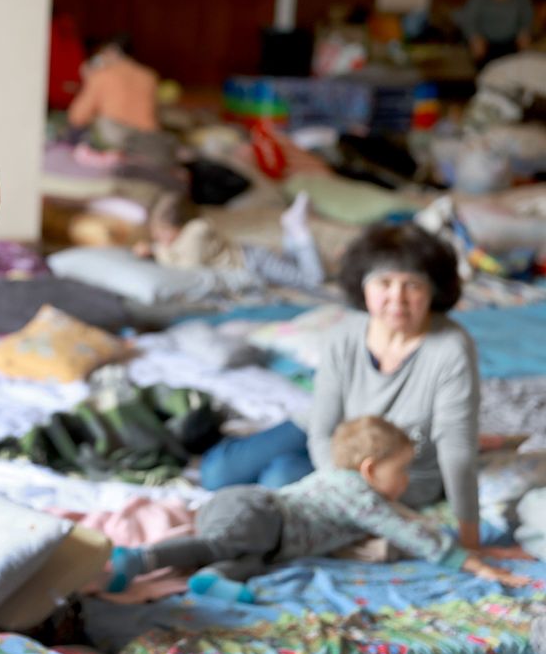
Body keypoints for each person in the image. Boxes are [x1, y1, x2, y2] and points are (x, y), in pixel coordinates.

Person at [200, 222, 496, 550]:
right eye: (384, 283)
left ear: (433, 292)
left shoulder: (451, 346)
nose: (396, 298)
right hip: (338, 441)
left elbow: (457, 448)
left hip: (392, 465)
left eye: (412, 285)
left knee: (279, 478)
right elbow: (323, 427)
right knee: (216, 473)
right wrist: (335, 481)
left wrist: (470, 537)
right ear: (364, 288)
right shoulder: (345, 335)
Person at [98, 416, 530, 603]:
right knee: (221, 543)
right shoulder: (355, 493)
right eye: (401, 471)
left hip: (272, 539)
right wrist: (472, 565)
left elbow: (413, 521)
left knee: (252, 559)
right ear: (368, 469)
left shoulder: (364, 492)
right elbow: (407, 531)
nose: (405, 482)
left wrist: (483, 547)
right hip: (256, 510)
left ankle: (213, 580)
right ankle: (140, 560)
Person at [135, 190, 325, 290]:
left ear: (179, 226)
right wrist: (154, 249)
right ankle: (291, 231)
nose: (157, 238)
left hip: (252, 263)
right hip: (252, 256)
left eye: (161, 232)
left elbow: (189, 267)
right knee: (293, 266)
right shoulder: (183, 238)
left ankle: (300, 233)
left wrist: (157, 252)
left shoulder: (194, 235)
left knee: (311, 280)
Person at [455, 0, 535, 70]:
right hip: (485, 43)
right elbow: (469, 20)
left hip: (511, 43)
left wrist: (524, 33)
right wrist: (474, 38)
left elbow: (527, 18)